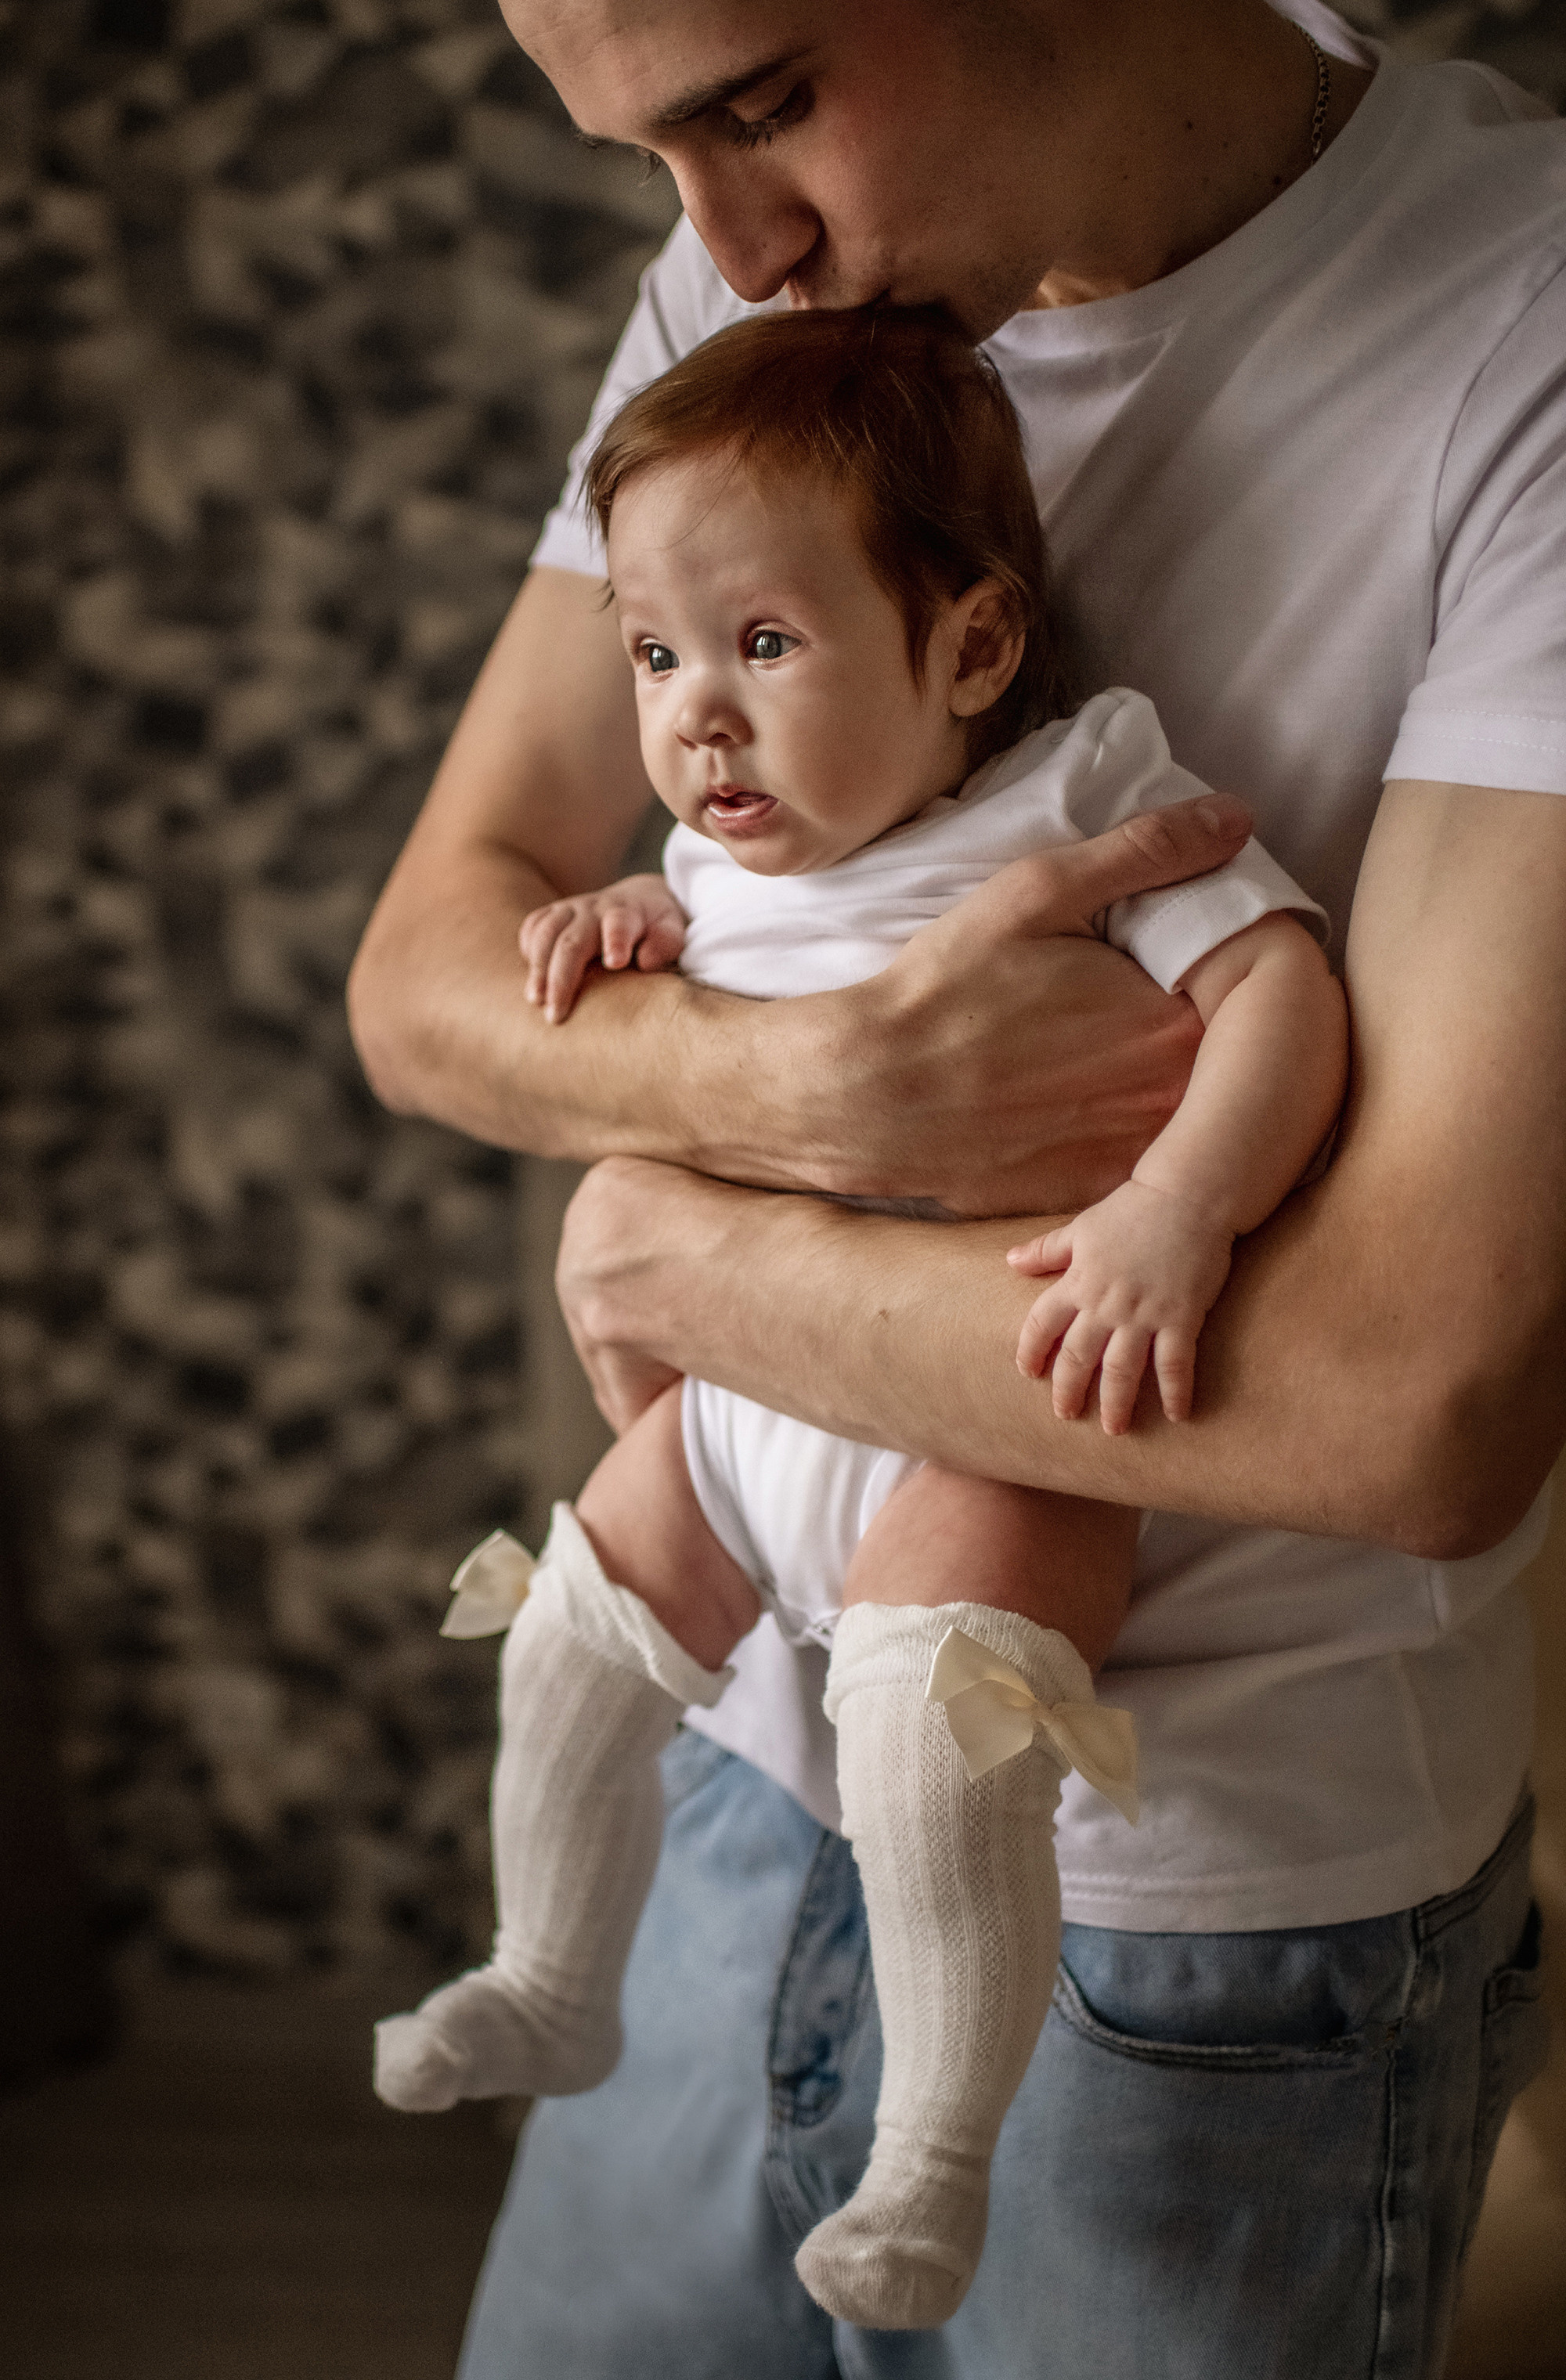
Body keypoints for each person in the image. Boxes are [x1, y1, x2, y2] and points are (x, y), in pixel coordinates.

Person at [346, 2, 1566, 2372]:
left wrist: (679, 1238)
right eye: (649, 157)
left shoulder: (1523, 330)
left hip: (1203, 1916)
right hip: (730, 1777)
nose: (721, 247)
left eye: (765, 100)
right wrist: (810, 1101)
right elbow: (428, 974)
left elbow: (1422, 1404)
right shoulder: (774, 297)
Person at [369, 307, 1346, 2333]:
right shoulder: (707, 865)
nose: (696, 723)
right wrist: (619, 939)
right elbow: (649, 1004)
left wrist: (1179, 1204)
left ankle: (934, 2158)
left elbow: (1279, 996)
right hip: (739, 1414)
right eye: (654, 658)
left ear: (973, 649)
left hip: (990, 1414)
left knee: (940, 1736)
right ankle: (552, 1972)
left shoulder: (1082, 791)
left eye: (764, 646)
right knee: (570, 1626)